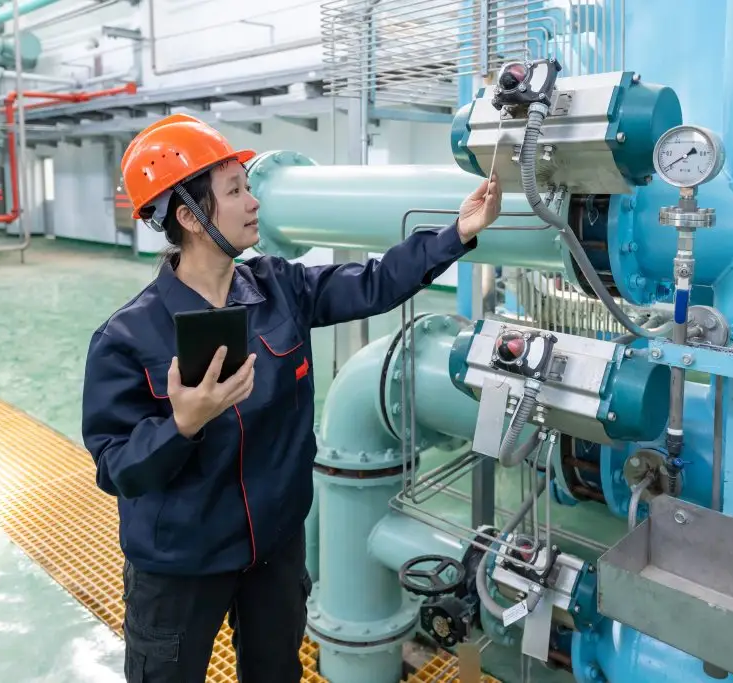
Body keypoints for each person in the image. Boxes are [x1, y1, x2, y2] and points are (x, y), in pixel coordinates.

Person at [80, 112, 500, 683]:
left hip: (274, 552)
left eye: (248, 186)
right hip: (181, 568)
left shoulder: (281, 287)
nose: (254, 202)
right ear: (190, 217)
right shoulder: (127, 339)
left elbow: (374, 283)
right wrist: (181, 425)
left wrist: (458, 233)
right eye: (235, 191)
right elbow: (117, 468)